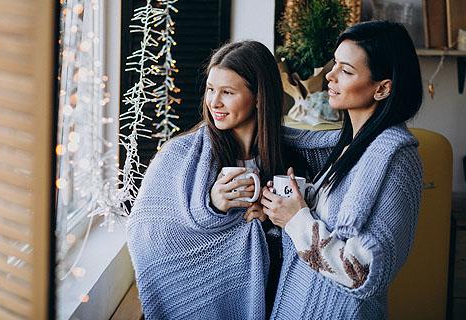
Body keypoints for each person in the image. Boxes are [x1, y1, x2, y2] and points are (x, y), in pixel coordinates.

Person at [127, 40, 306, 319]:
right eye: (211, 89)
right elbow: (145, 232)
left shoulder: (291, 159)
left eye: (227, 92)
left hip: (273, 301)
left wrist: (272, 222)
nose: (214, 102)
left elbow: (305, 242)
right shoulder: (180, 155)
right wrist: (212, 206)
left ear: (259, 96)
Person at [262, 21, 423, 319]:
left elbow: (362, 273)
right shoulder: (348, 148)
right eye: (335, 64)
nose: (330, 77)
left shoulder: (396, 159)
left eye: (346, 71)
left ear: (382, 88)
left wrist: (296, 220)